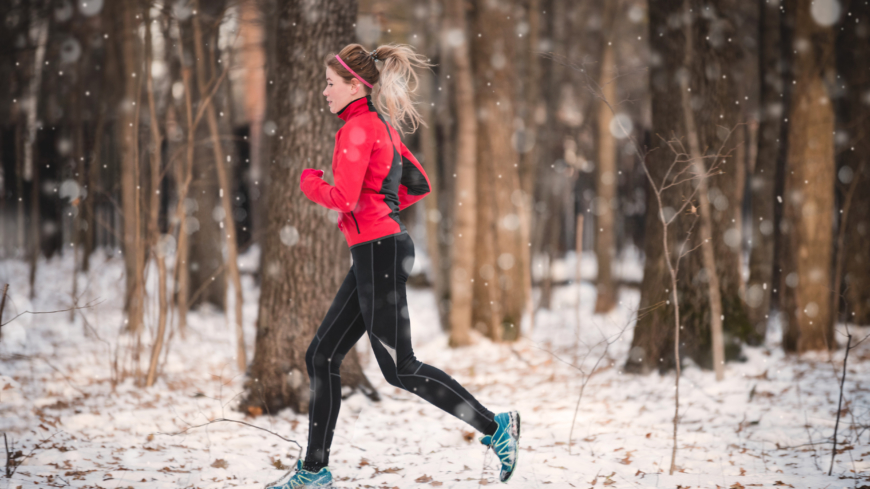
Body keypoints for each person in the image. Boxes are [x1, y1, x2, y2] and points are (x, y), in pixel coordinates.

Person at [268, 44, 520, 489]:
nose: (324, 91)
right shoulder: (377, 125)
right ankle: (313, 470)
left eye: (330, 83)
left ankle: (495, 426)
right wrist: (381, 210)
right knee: (321, 355)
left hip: (378, 251)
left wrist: (312, 184)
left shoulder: (358, 129)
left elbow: (343, 198)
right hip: (379, 247)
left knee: (400, 367)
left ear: (354, 85)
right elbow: (416, 182)